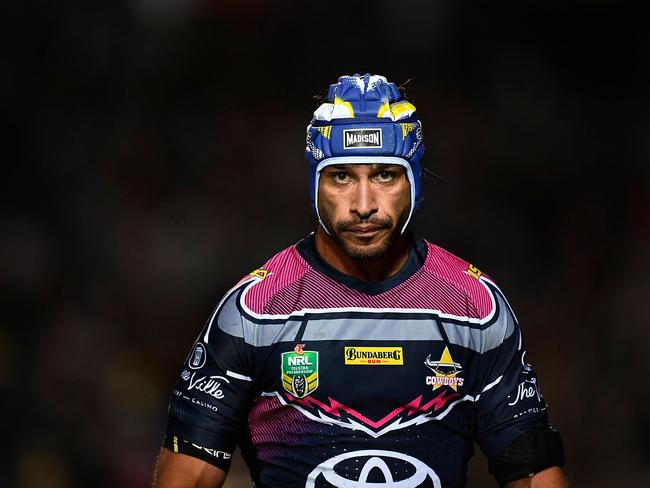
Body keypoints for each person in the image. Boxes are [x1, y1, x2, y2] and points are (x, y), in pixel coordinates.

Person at [153, 74, 567, 488]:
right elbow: (186, 474)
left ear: (415, 183)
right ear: (315, 184)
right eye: (342, 177)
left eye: (385, 175)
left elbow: (533, 473)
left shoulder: (475, 308)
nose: (364, 206)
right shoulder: (254, 312)